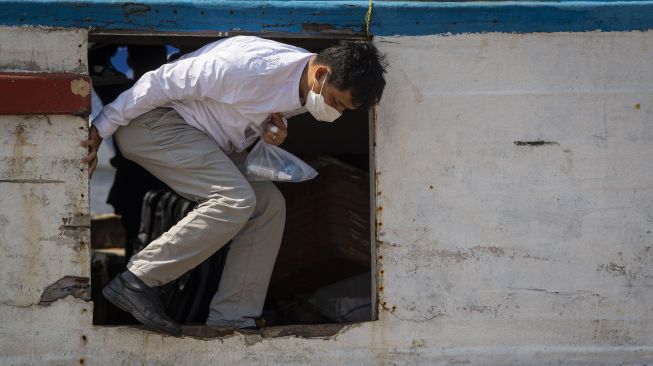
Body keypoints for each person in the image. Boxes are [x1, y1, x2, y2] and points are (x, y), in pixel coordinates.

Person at [81, 35, 387, 337]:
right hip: (155, 123)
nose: (336, 112)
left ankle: (233, 319)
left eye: (344, 109)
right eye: (336, 102)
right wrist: (101, 127)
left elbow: (240, 111)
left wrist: (268, 132)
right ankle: (137, 281)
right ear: (321, 73)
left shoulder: (304, 86)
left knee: (269, 206)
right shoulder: (251, 66)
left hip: (204, 136)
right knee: (234, 199)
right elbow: (160, 81)